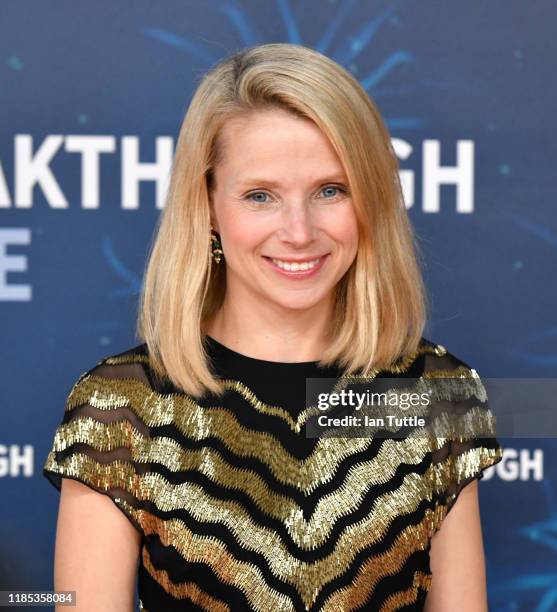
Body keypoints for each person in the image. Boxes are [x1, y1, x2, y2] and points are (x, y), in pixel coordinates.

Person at [43, 42, 503, 611]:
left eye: (330, 191)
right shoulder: (120, 410)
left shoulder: (434, 397)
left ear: (372, 198)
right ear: (207, 206)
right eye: (260, 196)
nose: (299, 231)